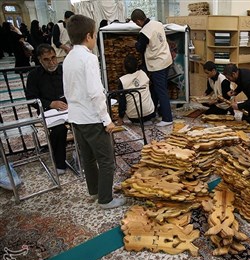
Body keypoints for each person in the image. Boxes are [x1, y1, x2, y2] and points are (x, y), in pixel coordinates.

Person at [63, 14, 126, 209]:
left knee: (88, 158)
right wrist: (107, 119)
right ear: (89, 36)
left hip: (76, 117)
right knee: (107, 160)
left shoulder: (68, 58)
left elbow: (67, 90)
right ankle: (105, 199)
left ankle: (95, 191)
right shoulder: (88, 58)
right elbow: (96, 92)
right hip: (91, 118)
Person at [25, 44, 68, 175]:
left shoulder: (64, 70)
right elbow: (31, 99)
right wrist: (50, 104)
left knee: (85, 123)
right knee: (59, 130)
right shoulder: (34, 76)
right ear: (39, 59)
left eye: (53, 57)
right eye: (47, 59)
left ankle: (84, 156)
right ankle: (59, 162)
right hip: (48, 112)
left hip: (69, 108)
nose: (51, 62)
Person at [131, 9, 173, 127]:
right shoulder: (158, 23)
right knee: (155, 89)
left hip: (157, 64)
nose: (136, 25)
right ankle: (152, 113)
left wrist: (134, 43)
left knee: (161, 91)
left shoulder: (145, 31)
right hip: (166, 60)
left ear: (139, 20)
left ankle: (167, 118)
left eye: (135, 23)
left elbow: (140, 48)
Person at [116, 54, 155, 125]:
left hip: (134, 117)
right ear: (137, 66)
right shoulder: (143, 73)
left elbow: (122, 102)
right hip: (150, 113)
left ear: (124, 68)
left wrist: (120, 118)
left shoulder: (122, 81)